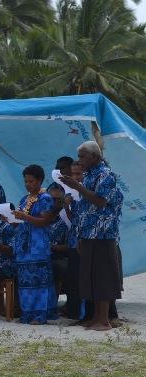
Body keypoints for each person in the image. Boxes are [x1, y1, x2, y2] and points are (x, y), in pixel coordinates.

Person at [60, 141, 123, 331]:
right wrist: (78, 234)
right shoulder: (88, 176)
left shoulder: (106, 175)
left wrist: (77, 187)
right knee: (90, 277)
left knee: (103, 275)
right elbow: (84, 208)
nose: (80, 160)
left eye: (82, 157)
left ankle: (104, 319)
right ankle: (95, 316)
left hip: (103, 234)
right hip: (87, 234)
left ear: (94, 157)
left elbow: (100, 201)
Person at [10, 165, 56, 325]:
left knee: (39, 282)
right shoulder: (24, 199)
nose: (28, 184)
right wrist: (11, 220)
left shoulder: (46, 198)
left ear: (40, 181)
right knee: (25, 282)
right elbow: (21, 222)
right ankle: (27, 314)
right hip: (23, 247)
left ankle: (40, 315)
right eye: (26, 181)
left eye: (31, 181)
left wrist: (24, 216)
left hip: (38, 247)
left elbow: (45, 221)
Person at [61, 162, 85, 319]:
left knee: (85, 276)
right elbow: (73, 218)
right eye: (73, 174)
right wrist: (67, 206)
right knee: (73, 276)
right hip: (73, 240)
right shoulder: (71, 192)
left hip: (86, 241)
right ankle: (73, 310)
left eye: (78, 174)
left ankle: (85, 312)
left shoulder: (87, 191)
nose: (76, 177)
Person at [46, 184, 70, 299]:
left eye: (58, 199)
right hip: (39, 256)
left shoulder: (67, 219)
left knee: (54, 266)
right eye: (51, 199)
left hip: (59, 257)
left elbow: (71, 246)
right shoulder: (39, 217)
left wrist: (52, 247)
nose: (54, 202)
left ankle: (51, 305)